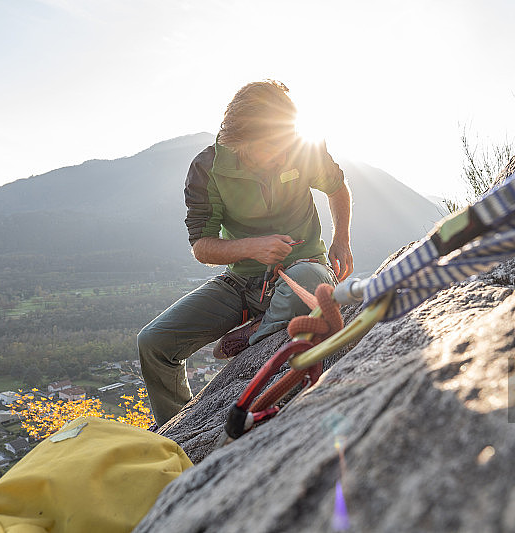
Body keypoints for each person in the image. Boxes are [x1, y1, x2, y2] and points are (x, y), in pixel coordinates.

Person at [138, 80, 354, 427]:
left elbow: (336, 186)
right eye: (271, 147)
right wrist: (253, 247)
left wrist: (341, 238)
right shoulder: (207, 169)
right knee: (153, 342)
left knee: (310, 279)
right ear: (240, 144)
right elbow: (202, 246)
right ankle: (179, 430)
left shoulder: (303, 147)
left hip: (303, 268)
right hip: (241, 283)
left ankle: (254, 336)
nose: (282, 155)